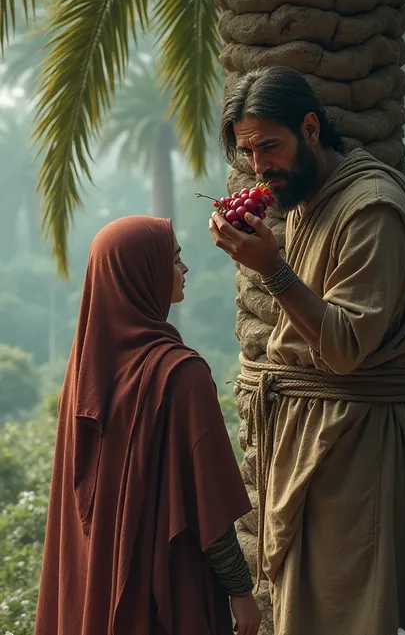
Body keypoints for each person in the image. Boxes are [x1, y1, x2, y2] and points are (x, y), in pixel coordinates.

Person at [209, 66, 405, 635]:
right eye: (249, 152)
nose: (260, 166)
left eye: (270, 146)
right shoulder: (309, 199)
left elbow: (345, 347)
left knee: (360, 612)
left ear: (311, 127)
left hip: (366, 453)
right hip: (323, 447)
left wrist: (272, 269)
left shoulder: (371, 209)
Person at [34, 216, 261, 635]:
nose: (185, 269)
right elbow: (210, 507)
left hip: (94, 595)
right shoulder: (180, 376)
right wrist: (241, 592)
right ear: (141, 273)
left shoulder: (82, 383)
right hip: (170, 593)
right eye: (174, 260)